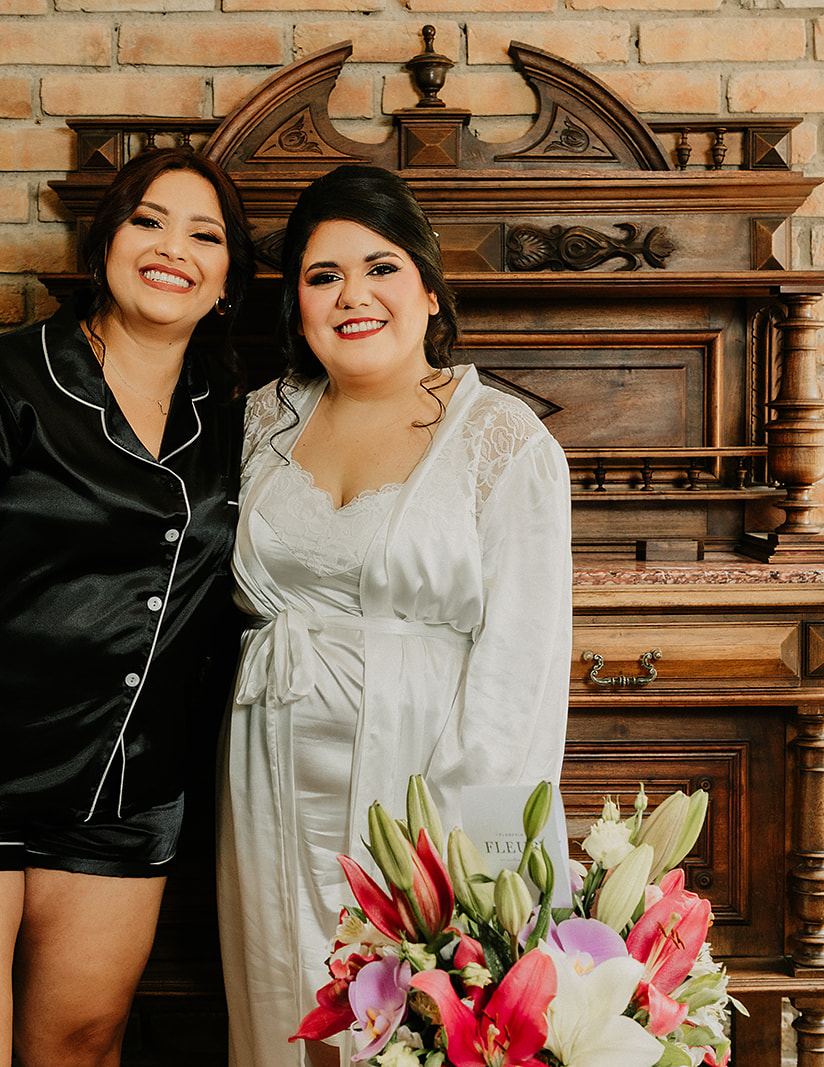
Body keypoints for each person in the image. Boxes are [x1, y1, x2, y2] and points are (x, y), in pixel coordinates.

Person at [0, 146, 255, 1066]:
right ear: (105, 243)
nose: (172, 248)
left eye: (205, 234)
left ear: (228, 280)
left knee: (82, 1045)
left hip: (119, 791)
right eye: (148, 221)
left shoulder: (234, 420)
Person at [217, 164, 573, 1067]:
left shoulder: (501, 437)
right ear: (297, 303)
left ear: (428, 288)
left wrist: (468, 849)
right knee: (284, 1007)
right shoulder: (259, 422)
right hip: (267, 769)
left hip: (422, 776)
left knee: (419, 1022)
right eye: (323, 275)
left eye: (381, 267)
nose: (353, 295)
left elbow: (523, 669)